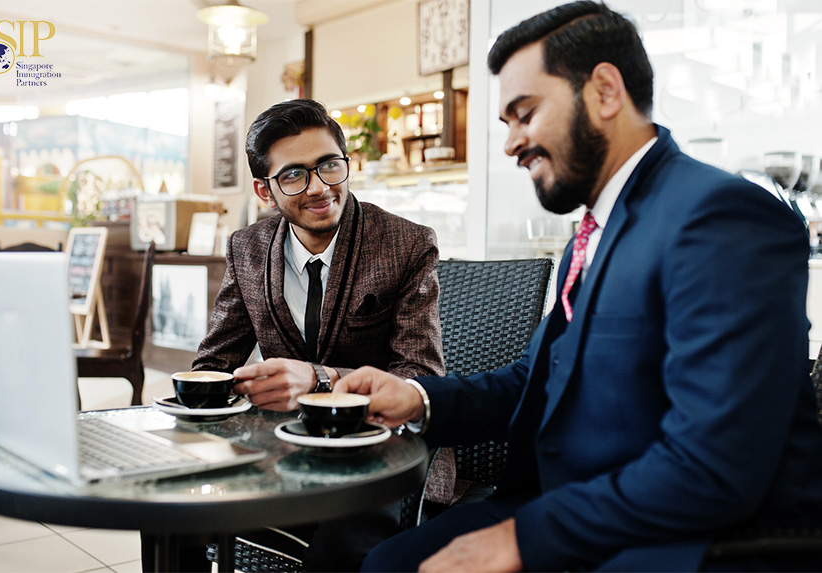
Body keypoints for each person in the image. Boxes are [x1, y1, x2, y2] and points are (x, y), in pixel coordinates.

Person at [336, 2, 822, 571]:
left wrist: (524, 540)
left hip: (690, 534)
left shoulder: (720, 216)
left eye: (525, 113)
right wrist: (415, 398)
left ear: (605, 92)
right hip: (572, 500)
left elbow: (716, 463)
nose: (510, 143)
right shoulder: (592, 233)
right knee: (386, 563)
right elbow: (536, 382)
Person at [187, 98, 449, 571]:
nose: (319, 188)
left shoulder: (407, 243)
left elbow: (420, 377)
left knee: (341, 539)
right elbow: (213, 365)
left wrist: (320, 380)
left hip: (388, 456)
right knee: (176, 506)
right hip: (284, 452)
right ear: (264, 190)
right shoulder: (246, 248)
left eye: (329, 166)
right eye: (294, 175)